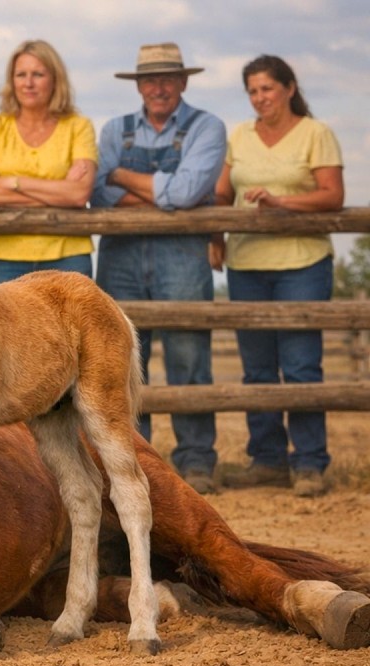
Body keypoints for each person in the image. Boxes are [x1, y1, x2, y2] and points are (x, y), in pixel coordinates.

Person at [92, 42, 226, 495]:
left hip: (182, 256)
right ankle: (133, 459)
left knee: (189, 357)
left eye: (168, 78)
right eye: (150, 79)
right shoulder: (115, 128)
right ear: (139, 85)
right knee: (121, 363)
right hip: (123, 257)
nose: (158, 87)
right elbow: (98, 191)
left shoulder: (207, 126)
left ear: (183, 81)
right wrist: (164, 193)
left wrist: (124, 177)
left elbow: (189, 191)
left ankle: (196, 461)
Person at [214, 55, 345, 498]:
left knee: (302, 366)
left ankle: (309, 462)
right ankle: (266, 459)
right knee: (257, 370)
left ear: (289, 88)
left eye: (267, 88)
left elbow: (332, 194)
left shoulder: (316, 133)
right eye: (252, 90)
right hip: (248, 263)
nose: (259, 98)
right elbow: (222, 192)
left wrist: (283, 204)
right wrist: (214, 232)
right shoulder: (241, 136)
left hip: (302, 263)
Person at [0, 39, 97, 282]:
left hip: (68, 253)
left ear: (55, 79)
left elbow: (79, 195)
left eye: (38, 74)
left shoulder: (79, 126)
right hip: (3, 255)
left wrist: (13, 182)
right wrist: (58, 193)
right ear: (11, 80)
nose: (28, 83)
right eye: (21, 74)